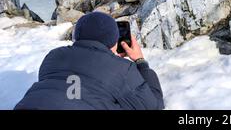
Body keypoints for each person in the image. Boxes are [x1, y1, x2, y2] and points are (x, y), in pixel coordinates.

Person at [14, 12, 164, 110]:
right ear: (114, 41)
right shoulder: (123, 69)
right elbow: (154, 105)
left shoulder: (53, 56)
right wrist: (140, 61)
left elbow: (71, 86)